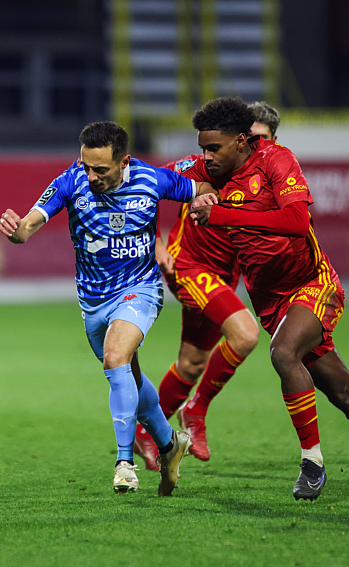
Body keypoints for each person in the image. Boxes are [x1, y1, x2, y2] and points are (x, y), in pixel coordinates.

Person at [185, 97, 349, 501]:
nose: (205, 156)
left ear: (239, 141)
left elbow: (297, 222)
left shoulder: (277, 160)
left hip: (313, 285)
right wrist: (120, 176)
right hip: (270, 302)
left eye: (213, 148)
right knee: (343, 393)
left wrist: (221, 215)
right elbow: (162, 178)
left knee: (283, 354)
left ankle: (312, 463)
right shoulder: (208, 169)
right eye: (202, 148)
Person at [0, 121, 215, 496]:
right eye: (86, 166)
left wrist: (203, 201)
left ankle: (124, 463)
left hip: (140, 289)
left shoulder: (152, 179)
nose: (91, 175)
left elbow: (203, 187)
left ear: (123, 162)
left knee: (115, 358)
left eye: (101, 169)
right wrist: (17, 230)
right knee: (127, 375)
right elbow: (30, 223)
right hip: (93, 301)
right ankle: (169, 445)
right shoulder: (70, 182)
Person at [133, 101, 281, 470]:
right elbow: (142, 188)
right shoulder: (205, 166)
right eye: (246, 137)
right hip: (189, 266)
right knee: (245, 336)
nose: (251, 145)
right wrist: (155, 242)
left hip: (224, 277)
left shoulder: (273, 175)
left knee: (191, 362)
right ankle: (195, 411)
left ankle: (145, 434)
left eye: (259, 139)